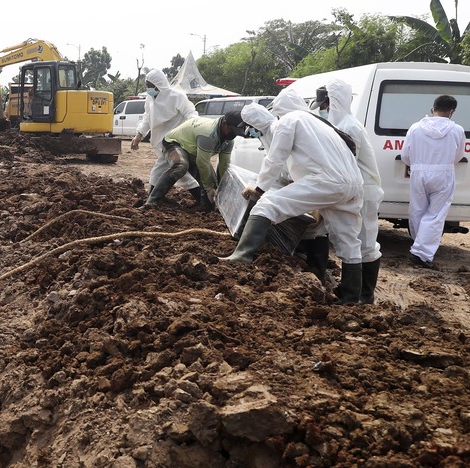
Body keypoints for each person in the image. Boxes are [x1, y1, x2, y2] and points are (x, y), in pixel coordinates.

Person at [222, 93, 364, 304]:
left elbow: (275, 158)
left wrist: (260, 188)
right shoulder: (318, 123)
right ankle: (351, 298)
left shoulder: (289, 120)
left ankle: (241, 255)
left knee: (268, 205)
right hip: (352, 183)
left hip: (326, 180)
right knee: (348, 240)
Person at [312, 81, 386, 303]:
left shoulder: (349, 127)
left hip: (363, 190)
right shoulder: (342, 124)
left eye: (325, 105)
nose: (323, 110)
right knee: (354, 240)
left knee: (364, 243)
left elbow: (344, 165)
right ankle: (353, 292)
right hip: (358, 189)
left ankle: (362, 295)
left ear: (332, 102)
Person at [402, 94, 465, 269]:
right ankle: (421, 253)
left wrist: (417, 165)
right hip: (443, 173)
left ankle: (419, 244)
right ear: (452, 112)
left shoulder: (415, 128)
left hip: (418, 172)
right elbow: (458, 156)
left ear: (432, 109)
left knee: (417, 210)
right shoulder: (457, 130)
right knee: (436, 215)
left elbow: (405, 155)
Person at [140, 110, 247, 210]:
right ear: (224, 123)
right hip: (175, 143)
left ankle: (205, 207)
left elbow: (224, 165)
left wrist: (221, 188)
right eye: (232, 130)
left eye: (236, 133)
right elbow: (202, 163)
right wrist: (208, 188)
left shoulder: (229, 140)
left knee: (213, 187)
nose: (233, 135)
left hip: (194, 150)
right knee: (181, 166)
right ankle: (152, 201)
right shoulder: (208, 134)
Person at [130, 69, 200, 208]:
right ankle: (203, 200)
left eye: (150, 86)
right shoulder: (150, 99)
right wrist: (139, 134)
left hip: (174, 143)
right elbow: (147, 118)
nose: (148, 89)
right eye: (147, 86)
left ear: (158, 85)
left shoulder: (176, 97)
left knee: (158, 172)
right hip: (160, 144)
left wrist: (195, 128)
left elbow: (190, 113)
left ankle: (151, 201)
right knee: (181, 173)